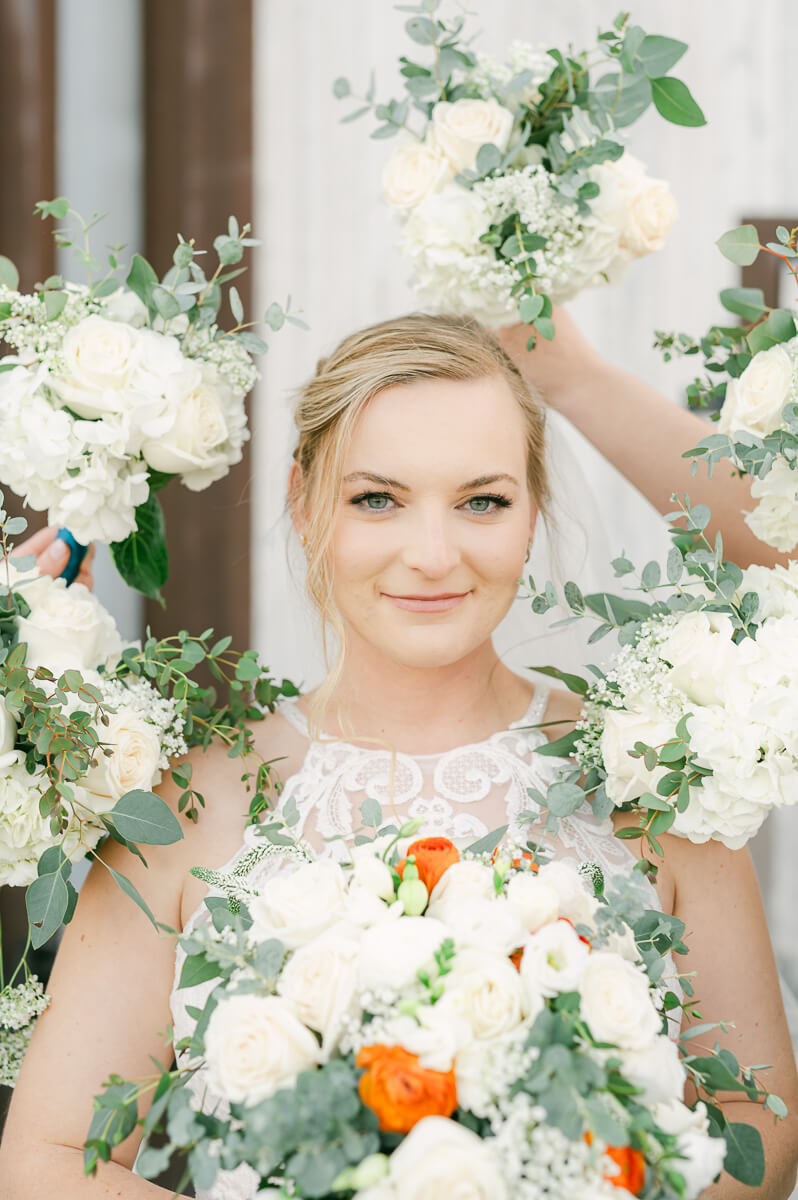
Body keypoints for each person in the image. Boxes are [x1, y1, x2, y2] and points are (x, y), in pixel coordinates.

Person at [1, 314, 796, 1199]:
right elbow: (46, 1163)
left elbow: (758, 1123)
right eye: (377, 498)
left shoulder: (651, 775)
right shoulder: (188, 806)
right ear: (305, 504)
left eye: (482, 501)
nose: (431, 555)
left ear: (533, 509)